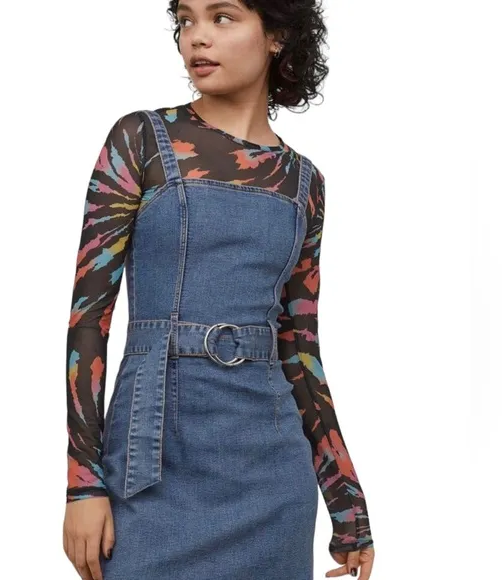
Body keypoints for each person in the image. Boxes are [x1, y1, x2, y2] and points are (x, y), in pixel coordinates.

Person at [63, 1, 375, 579]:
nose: (196, 37)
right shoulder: (140, 139)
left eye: (222, 17)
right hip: (151, 459)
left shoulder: (304, 183)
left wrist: (347, 501)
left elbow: (299, 348)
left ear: (276, 35)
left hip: (272, 475)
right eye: (186, 20)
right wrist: (84, 483)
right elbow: (88, 320)